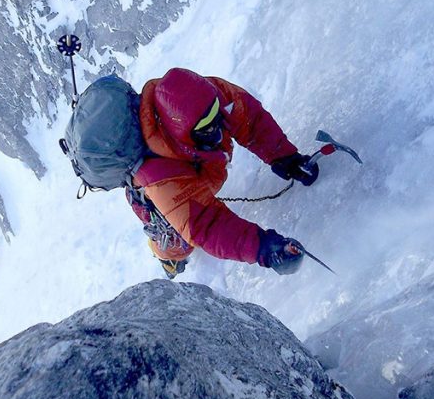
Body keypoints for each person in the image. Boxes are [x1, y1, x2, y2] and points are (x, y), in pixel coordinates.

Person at [125, 67, 319, 278]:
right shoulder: (158, 173)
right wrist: (262, 247)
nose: (218, 127)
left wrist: (286, 158)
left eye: (217, 115)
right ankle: (166, 257)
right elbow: (207, 225)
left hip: (200, 171)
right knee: (178, 241)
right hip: (157, 197)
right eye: (206, 128)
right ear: (181, 132)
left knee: (196, 198)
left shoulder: (210, 98)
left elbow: (250, 122)